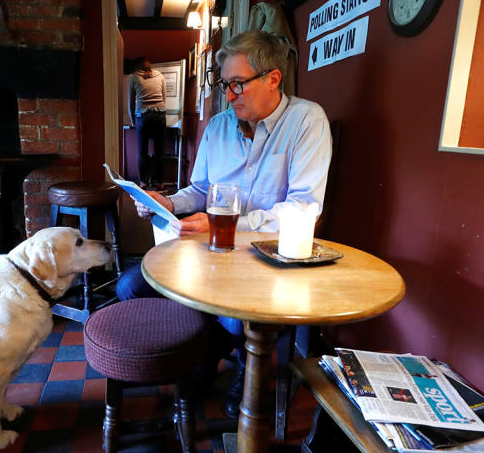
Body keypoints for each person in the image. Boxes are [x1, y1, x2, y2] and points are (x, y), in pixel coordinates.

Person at [117, 30, 332, 415]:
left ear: (272, 79)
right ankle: (202, 356)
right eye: (225, 85)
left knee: (233, 320)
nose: (229, 95)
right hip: (211, 253)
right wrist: (166, 200)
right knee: (131, 287)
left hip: (266, 260)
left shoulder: (306, 121)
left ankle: (240, 366)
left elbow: (304, 207)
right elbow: (200, 189)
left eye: (237, 84)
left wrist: (229, 224)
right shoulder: (218, 127)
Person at [128, 58, 168, 188]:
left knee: (142, 151)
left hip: (143, 116)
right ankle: (161, 183)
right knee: (160, 151)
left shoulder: (134, 78)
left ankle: (143, 182)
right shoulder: (160, 76)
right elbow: (164, 97)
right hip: (160, 115)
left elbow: (131, 103)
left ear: (137, 67)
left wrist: (133, 121)